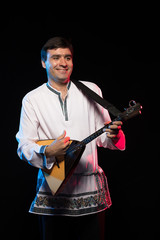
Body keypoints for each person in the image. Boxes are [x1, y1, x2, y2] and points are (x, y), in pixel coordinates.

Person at [16, 37, 126, 240]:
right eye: (56, 57)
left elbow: (105, 140)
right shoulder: (32, 99)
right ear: (43, 62)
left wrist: (115, 134)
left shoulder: (92, 91)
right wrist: (47, 151)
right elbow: (24, 145)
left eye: (67, 57)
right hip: (54, 189)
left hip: (90, 192)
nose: (63, 63)